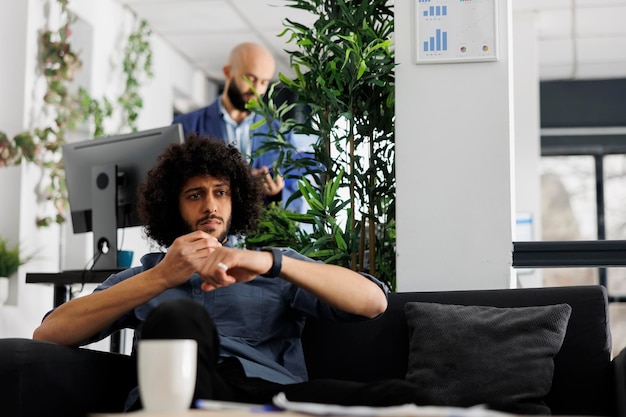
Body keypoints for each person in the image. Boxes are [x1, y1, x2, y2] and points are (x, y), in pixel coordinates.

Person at [32, 135, 421, 411]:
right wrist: (162, 278)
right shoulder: (146, 275)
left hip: (265, 396)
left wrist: (273, 263)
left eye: (221, 192)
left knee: (401, 397)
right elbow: (48, 333)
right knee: (177, 316)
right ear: (173, 207)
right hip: (176, 397)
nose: (211, 205)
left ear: (237, 202)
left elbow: (374, 302)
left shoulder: (273, 265)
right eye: (195, 195)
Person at [173, 42, 301, 209]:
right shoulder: (186, 126)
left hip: (258, 231)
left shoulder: (280, 134)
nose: (257, 90)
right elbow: (171, 188)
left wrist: (277, 193)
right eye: (251, 79)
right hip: (204, 230)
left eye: (264, 83)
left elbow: (296, 199)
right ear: (228, 72)